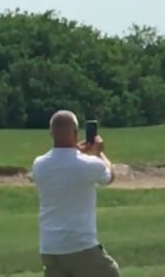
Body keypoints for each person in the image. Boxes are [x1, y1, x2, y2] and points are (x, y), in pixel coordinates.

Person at [30, 109, 120, 277]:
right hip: (79, 244)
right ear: (75, 133)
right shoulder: (89, 164)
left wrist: (76, 151)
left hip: (49, 247)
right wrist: (99, 152)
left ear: (51, 133)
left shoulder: (39, 164)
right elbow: (110, 176)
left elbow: (62, 163)